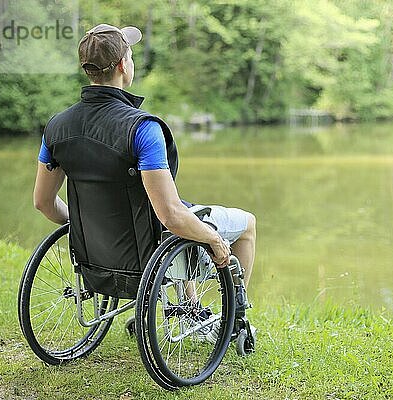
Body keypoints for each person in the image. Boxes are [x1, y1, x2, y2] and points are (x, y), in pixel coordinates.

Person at [33, 24, 256, 313]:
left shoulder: (56, 127)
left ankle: (190, 307)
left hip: (97, 253)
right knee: (246, 223)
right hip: (146, 250)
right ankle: (235, 317)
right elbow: (171, 215)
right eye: (131, 56)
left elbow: (43, 202)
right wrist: (213, 239)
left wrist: (88, 226)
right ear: (123, 66)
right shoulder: (143, 128)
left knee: (171, 213)